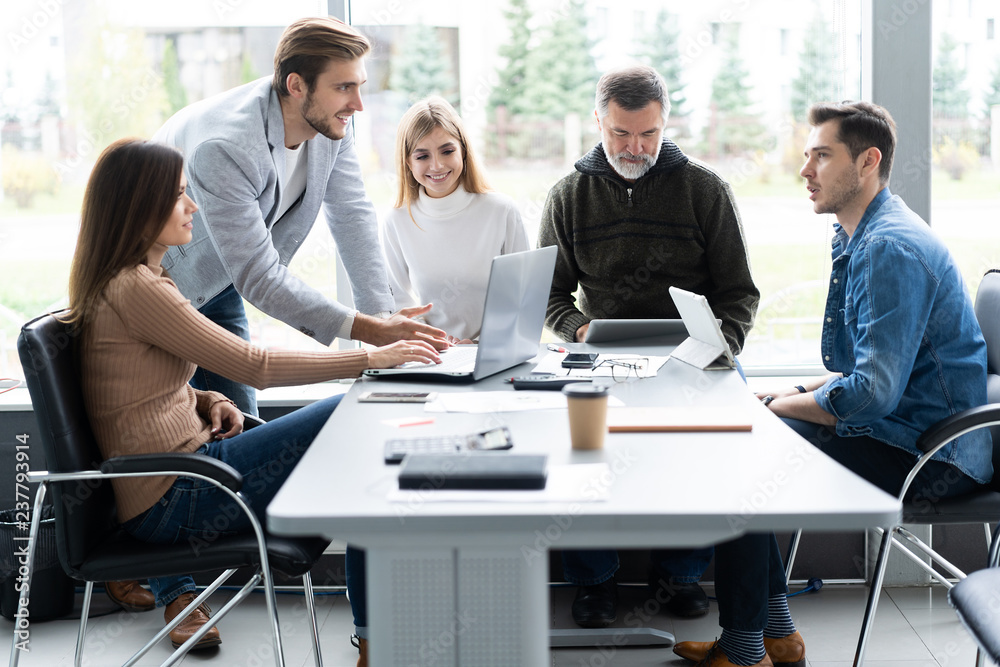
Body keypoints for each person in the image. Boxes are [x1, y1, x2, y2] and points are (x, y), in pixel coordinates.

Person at [65, 138, 440, 654]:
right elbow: (254, 367)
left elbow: (136, 386)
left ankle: (379, 638)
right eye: (179, 195)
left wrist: (207, 401)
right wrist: (368, 358)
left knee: (360, 464)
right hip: (178, 495)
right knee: (355, 411)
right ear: (139, 206)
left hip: (186, 479)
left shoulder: (145, 279)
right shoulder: (136, 288)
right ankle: (378, 637)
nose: (193, 206)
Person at [672, 101, 992, 667]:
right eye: (806, 155)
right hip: (905, 429)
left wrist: (787, 405)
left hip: (930, 455)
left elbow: (871, 393)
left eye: (822, 155)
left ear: (867, 162)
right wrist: (788, 396)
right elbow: (867, 364)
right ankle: (772, 635)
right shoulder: (862, 235)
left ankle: (749, 647)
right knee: (751, 432)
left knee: (739, 455)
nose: (805, 170)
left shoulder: (888, 247)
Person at [537, 64, 760, 627]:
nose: (636, 147)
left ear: (666, 123)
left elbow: (739, 294)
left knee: (702, 447)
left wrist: (719, 346)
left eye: (649, 134)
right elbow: (550, 298)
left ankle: (680, 575)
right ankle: (594, 580)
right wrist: (578, 329)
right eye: (621, 134)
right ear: (598, 121)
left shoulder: (704, 190)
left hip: (692, 355)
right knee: (580, 445)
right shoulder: (568, 196)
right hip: (601, 351)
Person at [153, 17, 448, 416]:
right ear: (296, 85)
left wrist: (383, 318)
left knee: (240, 425)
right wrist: (366, 329)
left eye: (359, 86)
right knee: (206, 434)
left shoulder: (328, 123)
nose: (358, 104)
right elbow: (259, 275)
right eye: (343, 87)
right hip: (165, 287)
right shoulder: (226, 146)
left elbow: (351, 212)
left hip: (222, 280)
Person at [381, 96, 530, 342]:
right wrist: (431, 340)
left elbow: (523, 298)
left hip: (497, 352)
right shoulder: (397, 220)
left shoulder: (502, 211)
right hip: (429, 357)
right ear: (408, 161)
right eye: (422, 156)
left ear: (463, 151)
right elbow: (397, 302)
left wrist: (481, 343)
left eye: (447, 151)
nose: (437, 166)